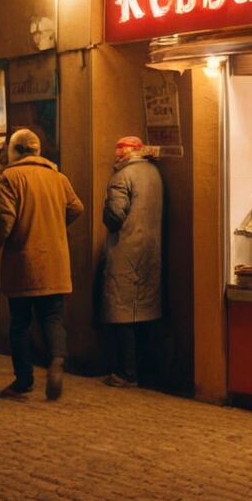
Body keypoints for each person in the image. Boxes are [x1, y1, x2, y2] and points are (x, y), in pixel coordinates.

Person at [0, 128, 84, 400]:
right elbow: (76, 207)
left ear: (15, 150)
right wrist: (55, 226)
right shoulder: (57, 177)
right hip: (55, 261)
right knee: (53, 317)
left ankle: (23, 380)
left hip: (23, 261)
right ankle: (57, 358)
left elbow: (6, 220)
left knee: (20, 322)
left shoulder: (9, 178)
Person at [100, 136, 164, 389]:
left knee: (123, 312)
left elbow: (115, 215)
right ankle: (146, 368)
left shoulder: (121, 177)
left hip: (126, 249)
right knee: (146, 310)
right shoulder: (154, 174)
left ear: (123, 154)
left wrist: (107, 210)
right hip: (151, 251)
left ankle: (126, 372)